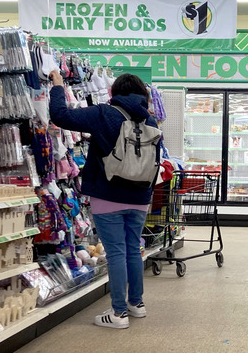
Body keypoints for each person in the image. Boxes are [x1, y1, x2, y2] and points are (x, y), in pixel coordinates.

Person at [49, 71, 157, 329]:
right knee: (133, 249)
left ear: (112, 92)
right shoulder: (149, 119)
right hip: (140, 195)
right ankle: (136, 304)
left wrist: (56, 86)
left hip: (108, 194)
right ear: (142, 94)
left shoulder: (104, 114)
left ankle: (118, 314)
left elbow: (60, 116)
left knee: (117, 251)